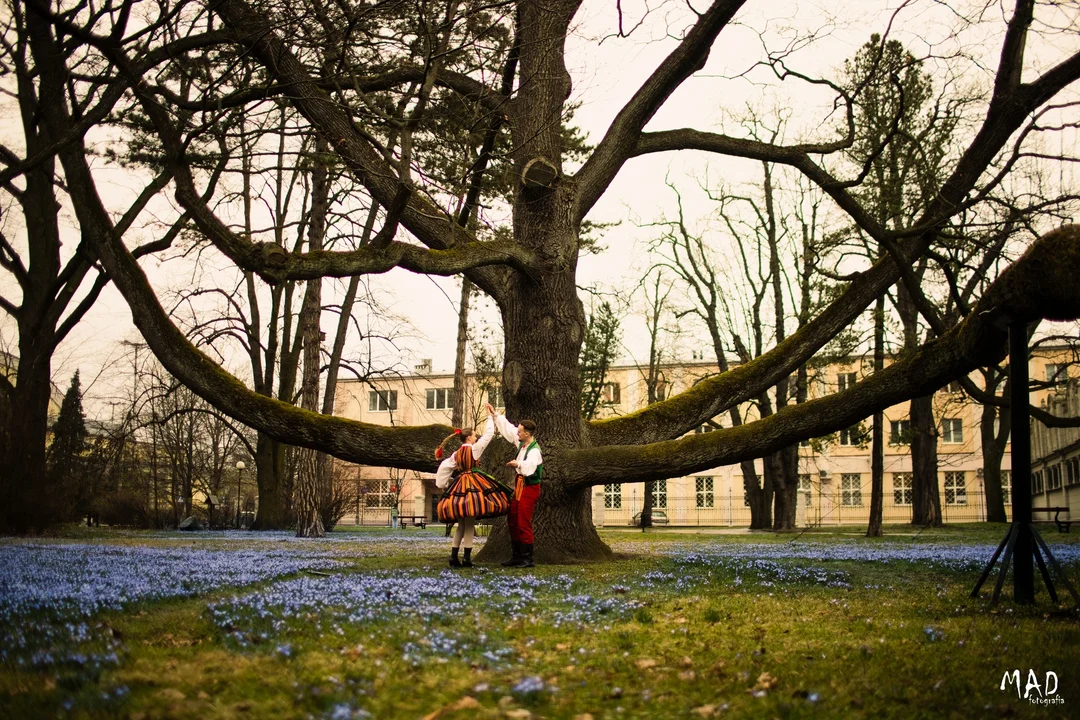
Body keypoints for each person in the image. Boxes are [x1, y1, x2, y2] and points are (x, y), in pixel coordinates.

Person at [487, 403, 542, 568]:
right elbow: (509, 430)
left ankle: (527, 558)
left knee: (523, 520)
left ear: (526, 433)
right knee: (513, 518)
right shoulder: (521, 444)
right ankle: (517, 555)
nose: (517, 433)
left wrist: (517, 464)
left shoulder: (534, 450)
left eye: (520, 431)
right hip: (520, 487)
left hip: (530, 487)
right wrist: (495, 415)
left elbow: (529, 468)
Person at [434, 419, 496, 568]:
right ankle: (467, 558)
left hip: (459, 485)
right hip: (472, 486)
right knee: (469, 523)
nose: (476, 438)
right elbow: (489, 435)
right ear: (468, 438)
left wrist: (443, 484)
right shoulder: (474, 449)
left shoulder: (457, 453)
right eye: (474, 436)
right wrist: (490, 418)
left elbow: (444, 467)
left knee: (461, 524)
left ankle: (454, 557)